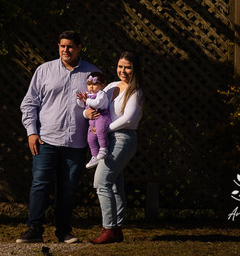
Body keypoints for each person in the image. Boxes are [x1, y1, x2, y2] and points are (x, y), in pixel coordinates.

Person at [16, 30, 98, 245]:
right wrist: (31, 132)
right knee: (40, 185)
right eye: (62, 46)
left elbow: (100, 107)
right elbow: (29, 103)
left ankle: (64, 231)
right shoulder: (44, 70)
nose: (65, 50)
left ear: (79, 47)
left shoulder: (92, 74)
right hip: (46, 140)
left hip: (76, 143)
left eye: (70, 46)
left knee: (68, 189)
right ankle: (34, 229)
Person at [85, 51, 144, 245]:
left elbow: (128, 118)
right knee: (115, 185)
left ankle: (108, 228)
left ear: (134, 69)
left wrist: (104, 130)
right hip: (108, 140)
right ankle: (117, 229)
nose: (123, 71)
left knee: (101, 182)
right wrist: (88, 112)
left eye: (127, 67)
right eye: (120, 66)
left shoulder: (136, 91)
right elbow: (97, 104)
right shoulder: (110, 86)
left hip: (122, 139)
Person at [77, 71, 113, 169]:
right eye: (89, 84)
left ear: (102, 85)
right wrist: (81, 100)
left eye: (94, 84)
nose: (91, 87)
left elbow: (97, 104)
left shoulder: (101, 94)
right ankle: (94, 155)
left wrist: (86, 100)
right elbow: (82, 106)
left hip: (102, 116)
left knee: (101, 131)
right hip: (92, 121)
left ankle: (103, 148)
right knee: (90, 138)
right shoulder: (88, 95)